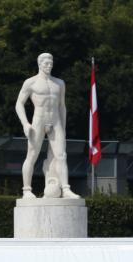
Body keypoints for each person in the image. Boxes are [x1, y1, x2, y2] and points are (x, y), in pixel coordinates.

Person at [15, 52, 79, 199]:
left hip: (55, 120)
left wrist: (63, 126)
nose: (49, 66)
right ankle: (26, 190)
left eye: (51, 63)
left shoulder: (59, 83)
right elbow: (19, 103)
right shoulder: (31, 82)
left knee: (61, 155)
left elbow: (62, 106)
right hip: (38, 120)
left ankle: (66, 188)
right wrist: (25, 123)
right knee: (31, 155)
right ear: (40, 64)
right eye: (46, 63)